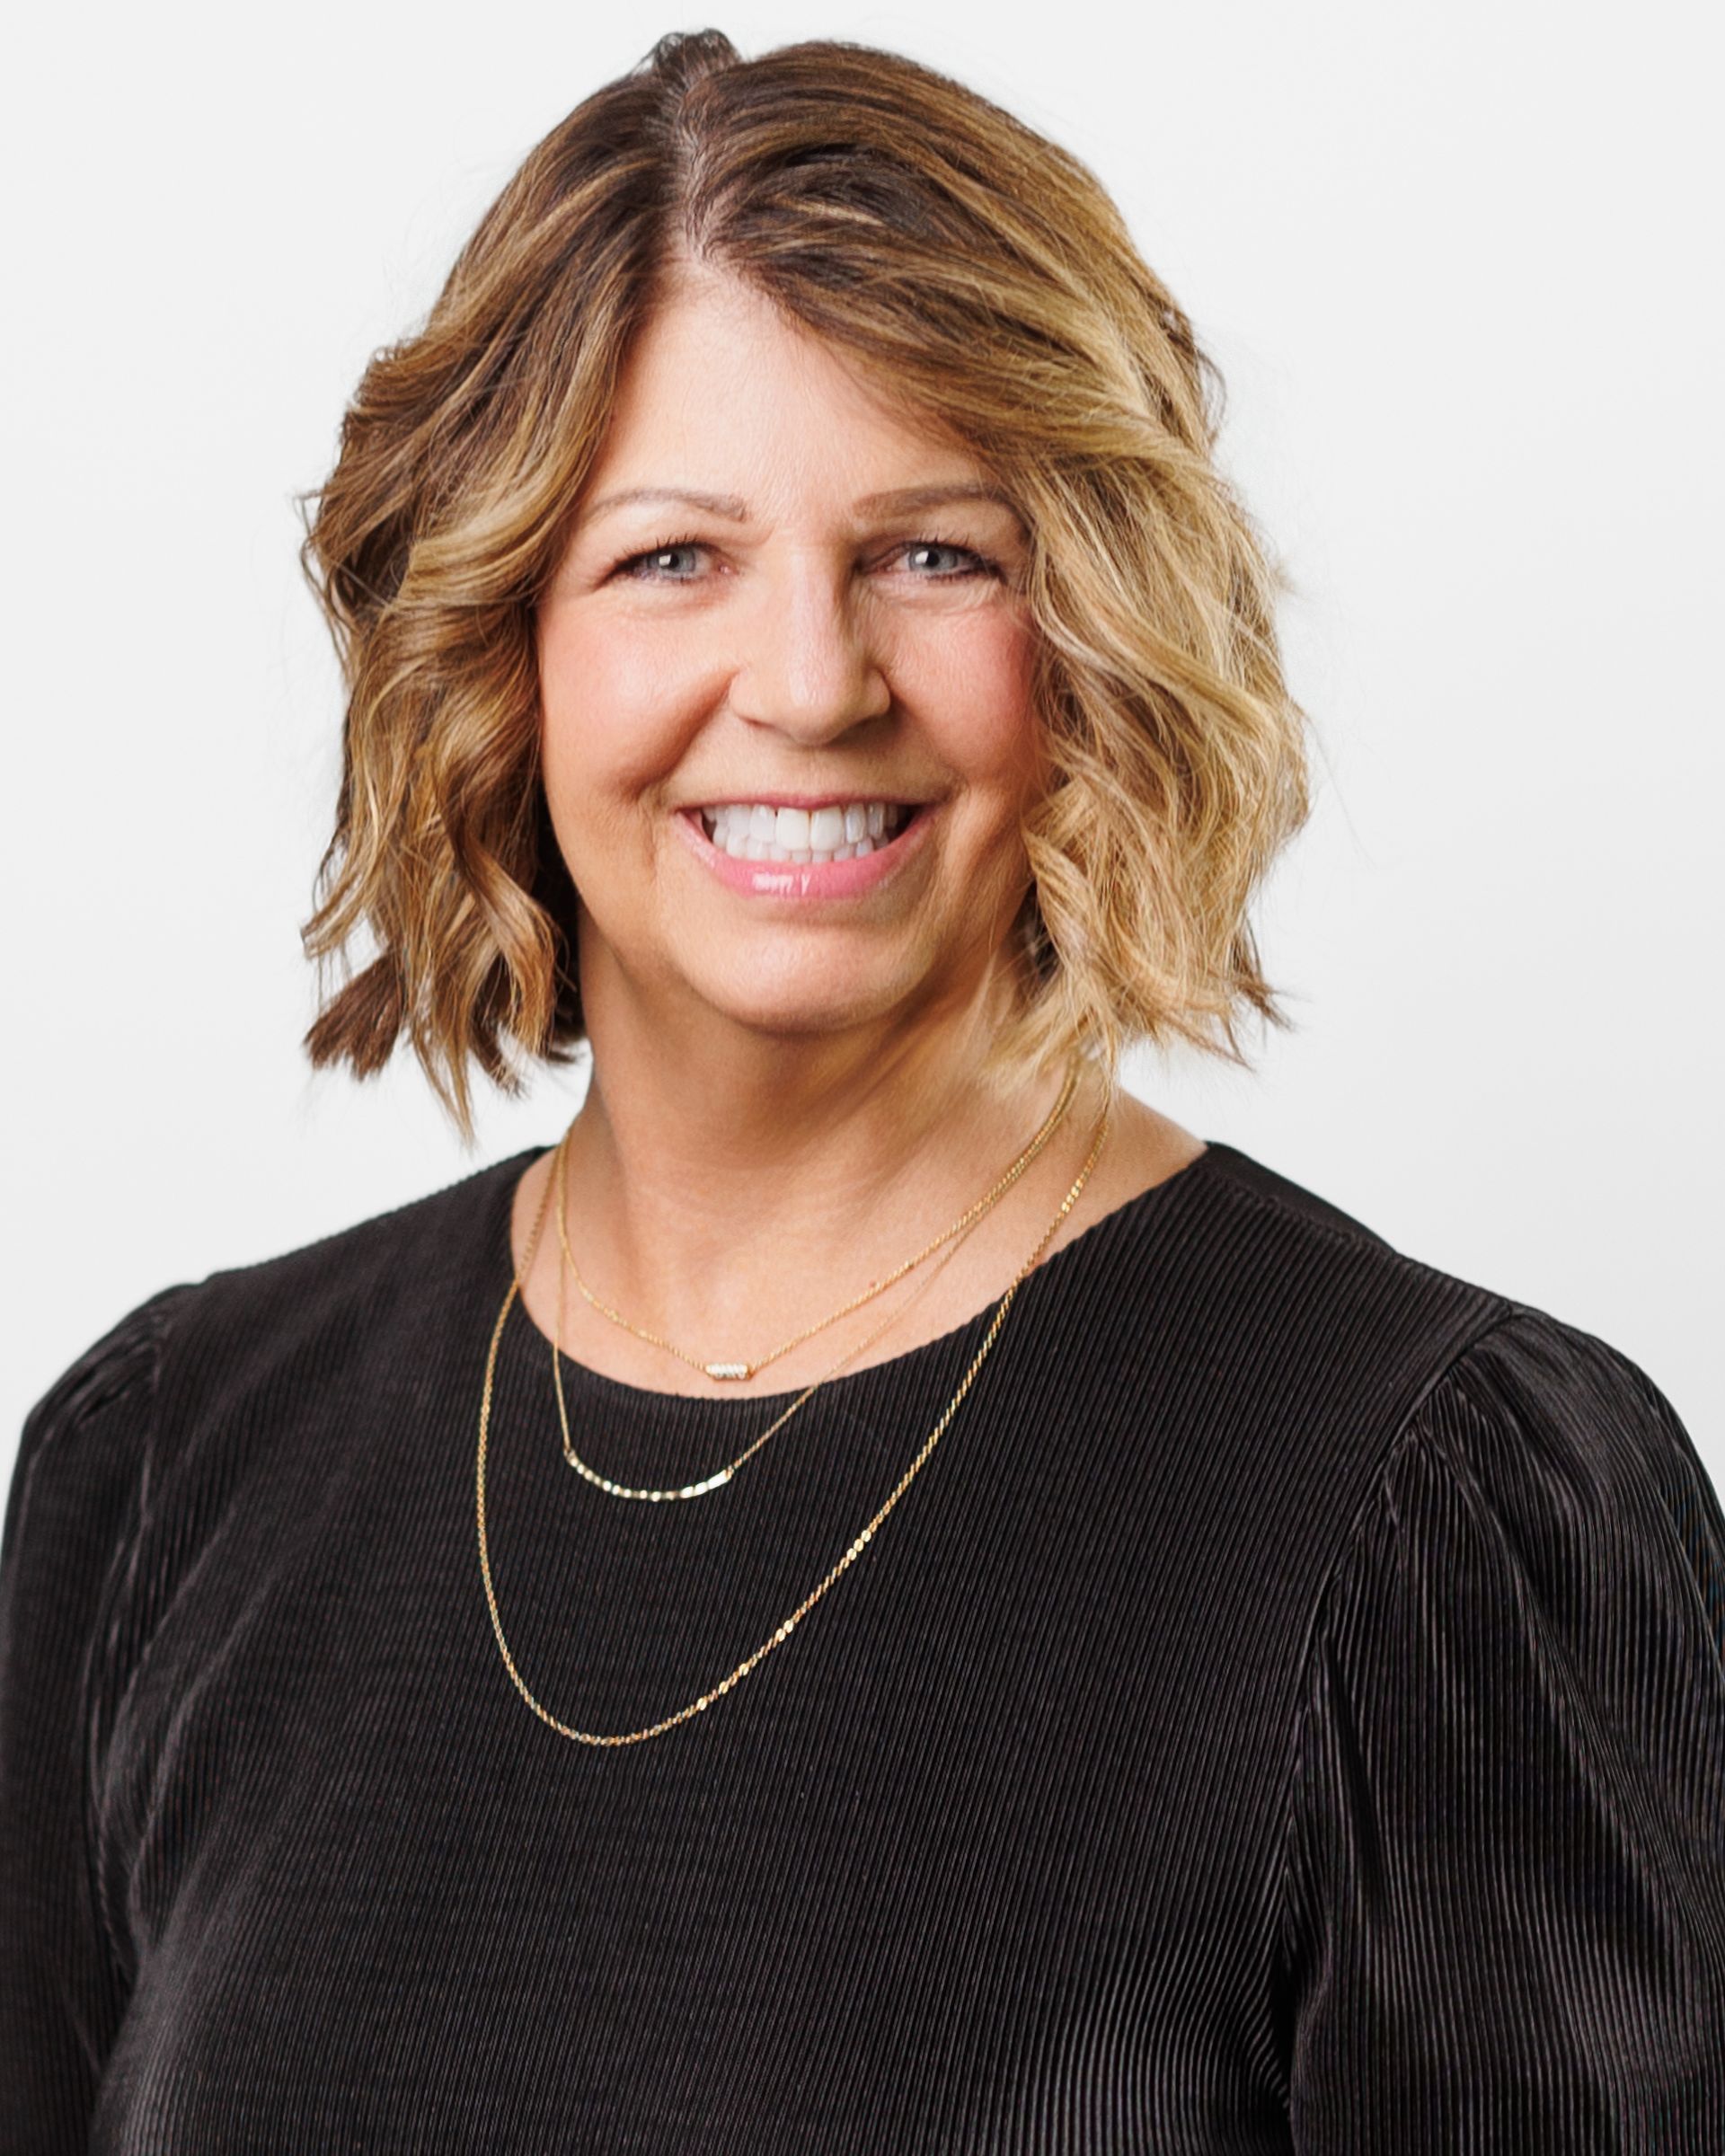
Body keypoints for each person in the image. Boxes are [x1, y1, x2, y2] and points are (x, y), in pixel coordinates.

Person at [3, 25, 1721, 2151]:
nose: (810, 683)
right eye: (670, 557)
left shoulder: (1440, 1519)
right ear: (497, 642)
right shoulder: (172, 1471)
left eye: (933, 553)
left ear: (1092, 623)